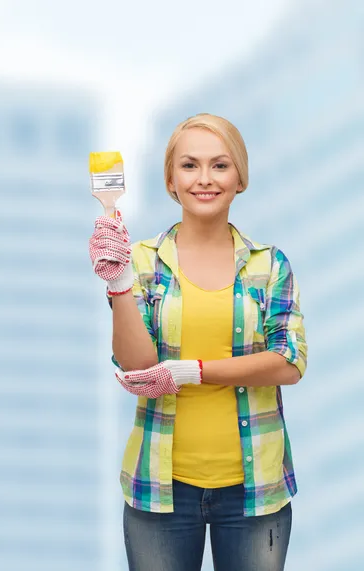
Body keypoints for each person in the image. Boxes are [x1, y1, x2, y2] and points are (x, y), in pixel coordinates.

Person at [88, 113, 307, 571]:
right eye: (189, 165)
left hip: (255, 492)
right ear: (170, 178)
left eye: (220, 165)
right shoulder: (143, 261)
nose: (204, 179)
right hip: (159, 486)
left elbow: (288, 361)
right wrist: (119, 283)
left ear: (240, 177)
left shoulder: (270, 265)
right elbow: (137, 366)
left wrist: (192, 372)